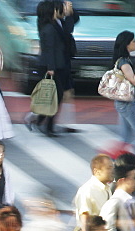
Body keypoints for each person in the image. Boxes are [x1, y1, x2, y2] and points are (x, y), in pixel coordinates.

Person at [30, 0, 79, 137]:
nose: (60, 10)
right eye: (57, 8)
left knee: (56, 96)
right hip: (51, 66)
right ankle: (46, 124)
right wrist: (51, 67)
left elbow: (72, 23)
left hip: (60, 64)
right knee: (54, 96)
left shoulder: (57, 23)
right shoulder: (49, 28)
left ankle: (40, 121)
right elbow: (49, 50)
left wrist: (70, 12)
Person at [72, 154, 114, 231]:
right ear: (97, 171)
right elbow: (84, 216)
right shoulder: (87, 190)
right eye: (109, 168)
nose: (112, 171)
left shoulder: (106, 188)